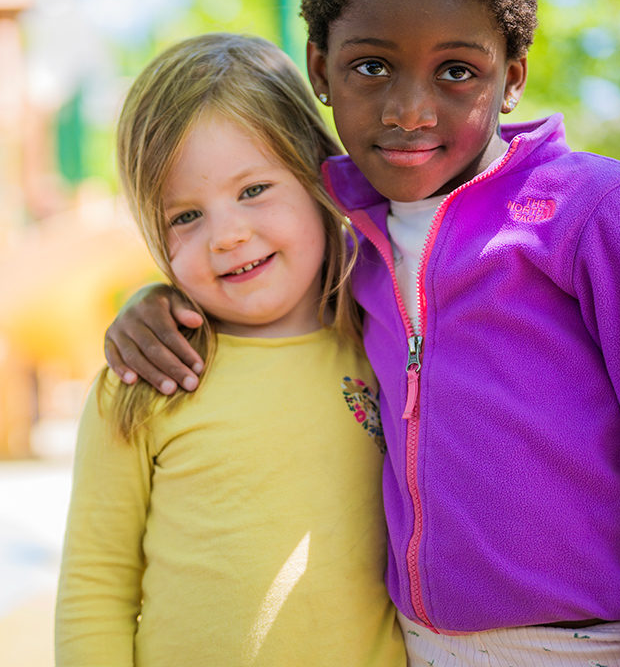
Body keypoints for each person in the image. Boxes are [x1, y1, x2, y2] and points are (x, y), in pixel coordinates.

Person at [103, 0, 620, 665]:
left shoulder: (595, 214)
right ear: (320, 65)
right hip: (416, 649)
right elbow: (251, 279)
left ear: (511, 76)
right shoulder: (355, 256)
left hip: (589, 648)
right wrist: (149, 303)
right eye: (372, 66)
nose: (410, 109)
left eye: (456, 72)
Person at [55, 34, 405, 667]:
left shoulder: (379, 337)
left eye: (253, 190)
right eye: (185, 216)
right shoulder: (143, 380)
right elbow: (95, 589)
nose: (228, 235)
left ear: (317, 176)